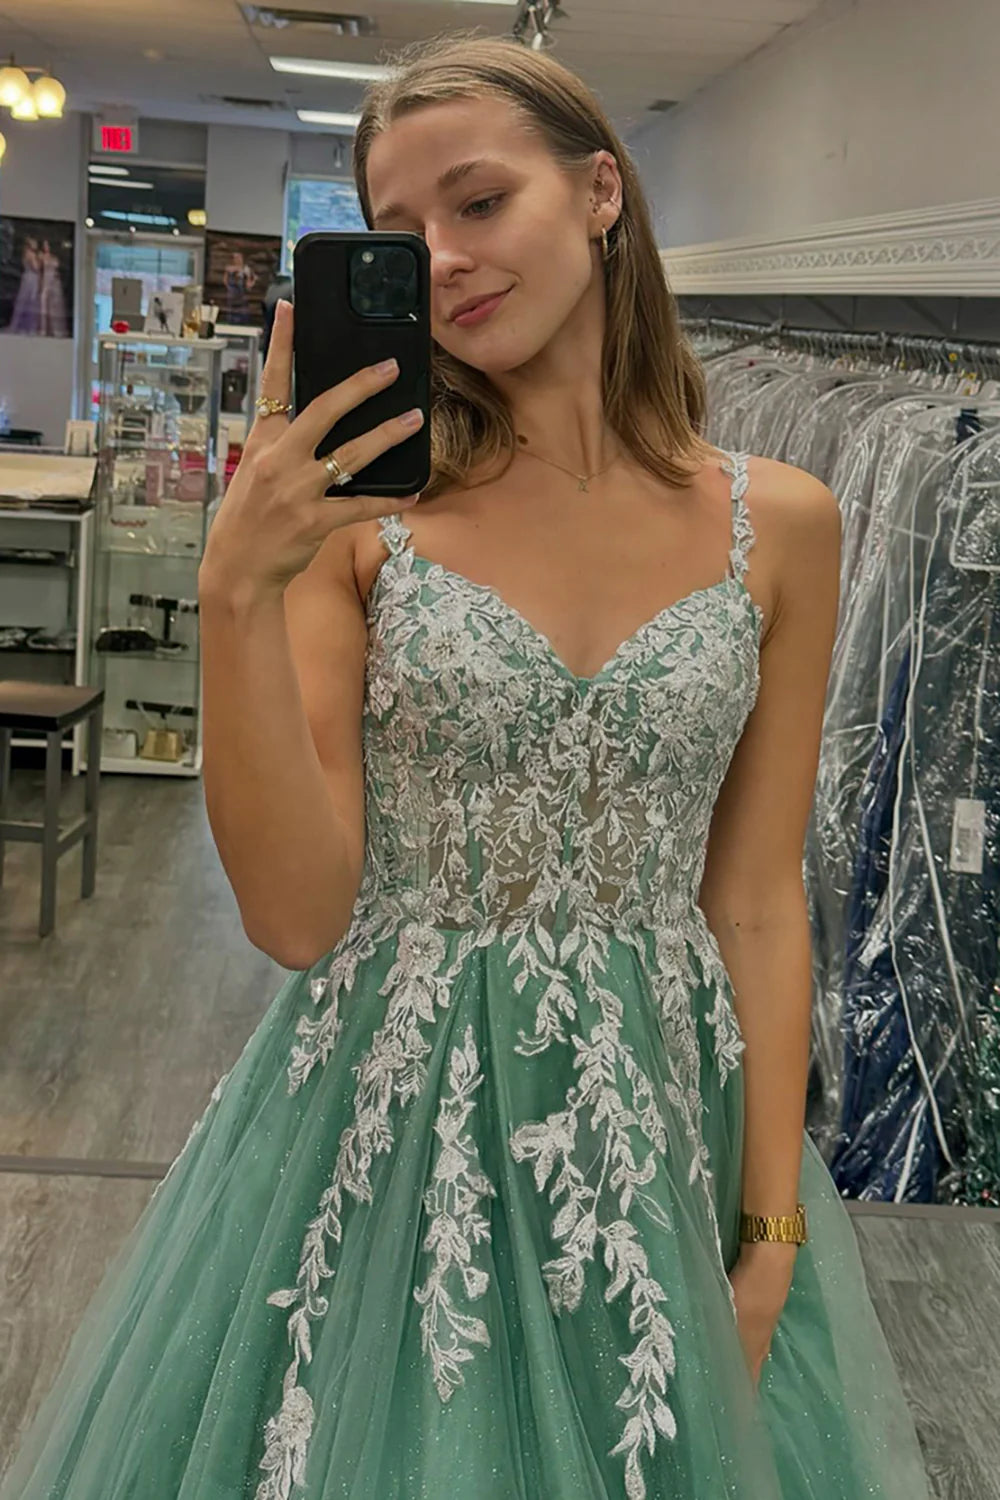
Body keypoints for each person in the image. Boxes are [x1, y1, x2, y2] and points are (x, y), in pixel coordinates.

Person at [0, 35, 931, 1500]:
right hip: (392, 1119)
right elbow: (296, 916)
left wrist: (772, 1232)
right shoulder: (365, 520)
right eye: (399, 230)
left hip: (663, 1132)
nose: (440, 258)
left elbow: (756, 900)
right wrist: (238, 587)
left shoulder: (789, 524)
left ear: (601, 193)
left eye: (480, 202)